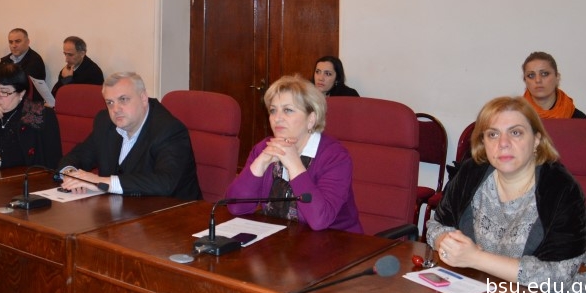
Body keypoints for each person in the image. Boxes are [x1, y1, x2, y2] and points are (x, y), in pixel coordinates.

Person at [427, 97, 586, 293]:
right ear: (483, 142)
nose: (503, 143)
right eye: (493, 134)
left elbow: (556, 280)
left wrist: (475, 258)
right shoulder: (471, 173)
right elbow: (437, 225)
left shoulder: (560, 188)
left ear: (536, 140)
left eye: (515, 132)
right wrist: (445, 242)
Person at [225, 75, 362, 233]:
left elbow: (320, 220)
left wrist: (294, 164)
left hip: (335, 242)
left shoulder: (335, 157)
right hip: (282, 240)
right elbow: (236, 207)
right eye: (273, 110)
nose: (277, 118)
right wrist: (260, 163)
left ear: (311, 119)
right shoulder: (264, 148)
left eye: (288, 110)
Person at [57, 72, 202, 200]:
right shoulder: (105, 122)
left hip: (173, 214)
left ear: (143, 98)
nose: (115, 109)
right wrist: (71, 175)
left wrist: (102, 182)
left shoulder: (168, 130)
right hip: (121, 211)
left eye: (123, 99)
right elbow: (78, 155)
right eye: (110, 102)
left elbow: (165, 182)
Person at [0, 63, 62, 172]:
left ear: (21, 93)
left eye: (4, 92)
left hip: (22, 178)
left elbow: (32, 155)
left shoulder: (37, 114)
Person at [522, 51, 586, 119]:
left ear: (557, 77)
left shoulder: (578, 118)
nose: (538, 80)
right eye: (531, 75)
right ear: (525, 80)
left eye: (544, 74)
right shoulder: (516, 116)